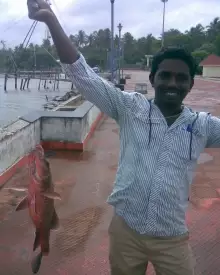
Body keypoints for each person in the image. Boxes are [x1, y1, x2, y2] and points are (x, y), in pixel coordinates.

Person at [27, 1, 220, 274]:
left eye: (181, 78)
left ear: (191, 83)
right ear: (153, 79)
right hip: (126, 233)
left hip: (172, 237)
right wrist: (50, 19)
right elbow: (82, 76)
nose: (172, 84)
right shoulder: (130, 108)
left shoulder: (203, 126)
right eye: (165, 76)